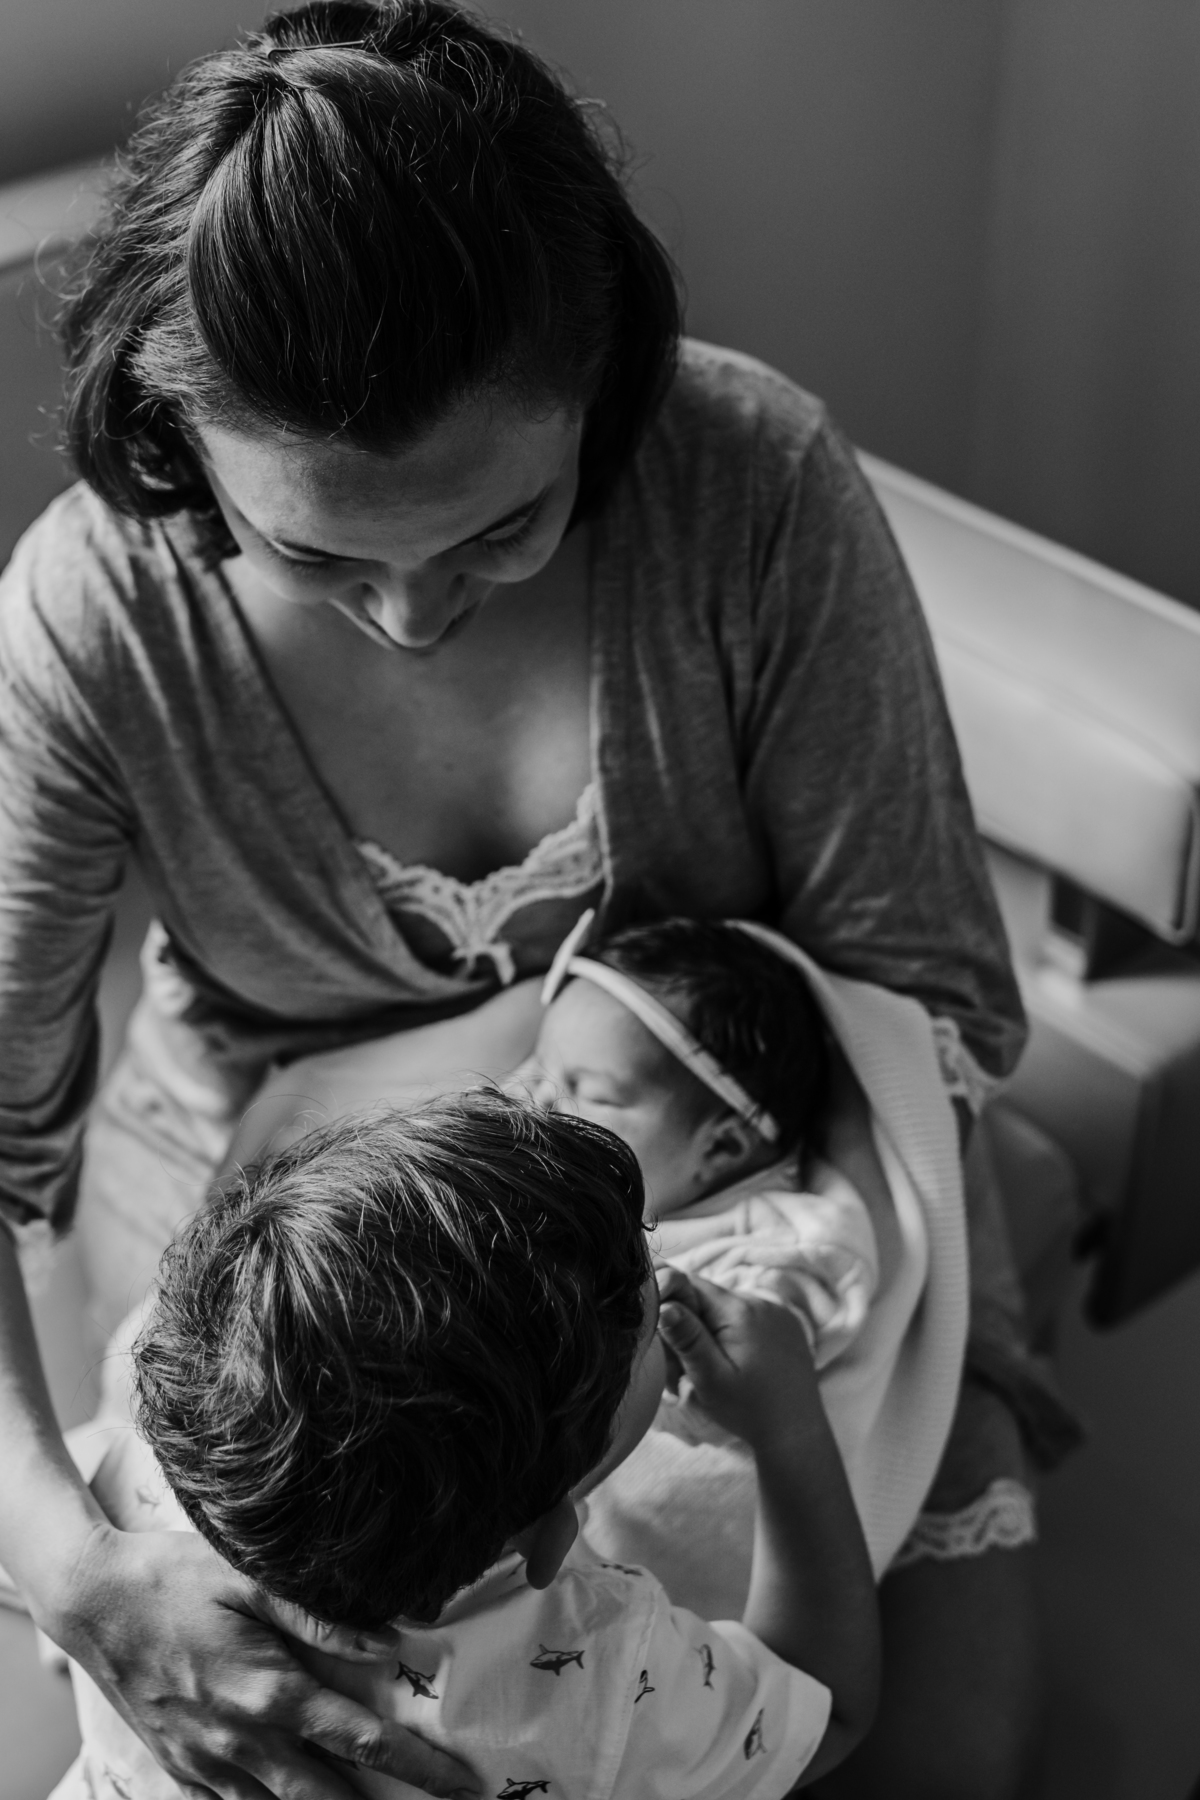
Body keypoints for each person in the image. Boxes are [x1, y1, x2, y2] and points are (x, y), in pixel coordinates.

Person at [0, 2, 1046, 1796]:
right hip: (289, 1268)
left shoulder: (750, 488)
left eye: (501, 527)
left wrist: (748, 1322)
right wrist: (73, 1563)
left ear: (603, 389)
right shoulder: (98, 623)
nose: (416, 617)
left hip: (745, 1201)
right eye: (318, 551)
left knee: (947, 1754)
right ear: (181, 448)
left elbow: (910, 1000)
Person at [58, 1094, 881, 1800]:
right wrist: (790, 1430)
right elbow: (829, 1711)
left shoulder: (139, 1497)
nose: (665, 1275)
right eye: (642, 1311)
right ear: (551, 1539)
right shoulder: (608, 1668)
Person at [524, 915, 879, 1366]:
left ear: (721, 1147)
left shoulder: (779, 1254)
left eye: (592, 1094)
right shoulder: (558, 1143)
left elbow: (750, 1374)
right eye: (539, 1070)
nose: (537, 1105)